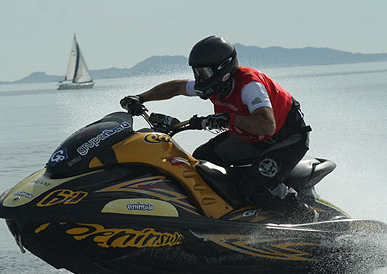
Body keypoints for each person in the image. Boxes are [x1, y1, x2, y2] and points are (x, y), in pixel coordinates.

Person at [120, 35, 315, 222]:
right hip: (252, 139)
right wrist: (141, 98)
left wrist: (228, 118)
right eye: (197, 73)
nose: (199, 79)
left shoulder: (249, 85)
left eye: (203, 73)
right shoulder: (214, 85)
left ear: (223, 69)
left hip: (288, 138)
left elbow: (267, 124)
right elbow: (175, 88)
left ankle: (308, 218)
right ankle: (224, 213)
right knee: (201, 161)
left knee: (256, 185)